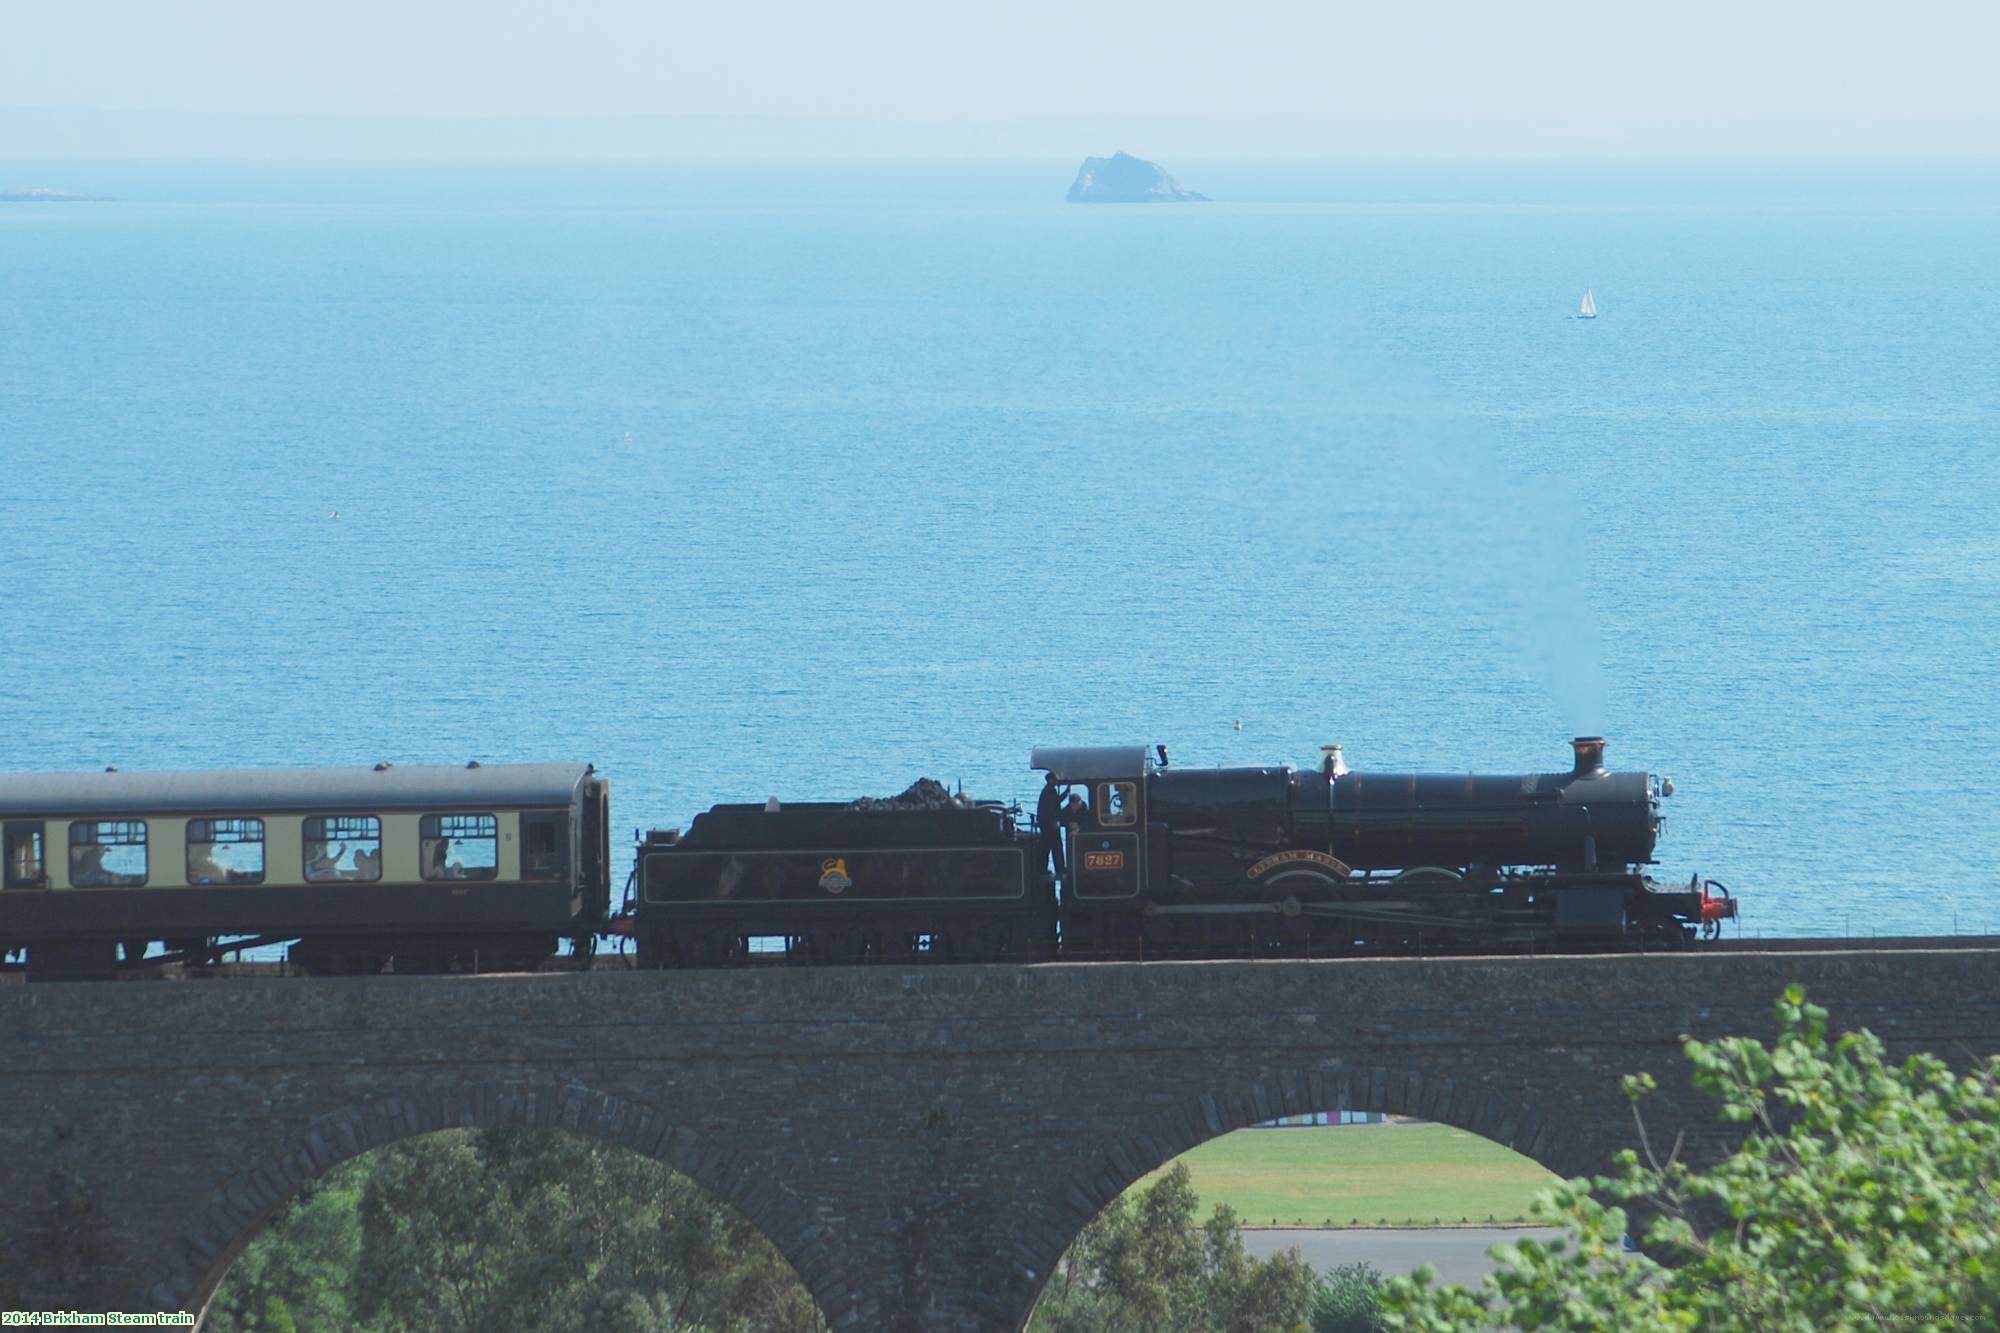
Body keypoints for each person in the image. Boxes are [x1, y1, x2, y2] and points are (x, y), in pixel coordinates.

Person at [1036, 774, 1067, 880]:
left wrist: (1066, 793)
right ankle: (1060, 869)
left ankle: (1045, 868)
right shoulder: (1049, 791)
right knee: (1055, 847)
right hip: (1049, 825)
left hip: (1047, 824)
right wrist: (1054, 821)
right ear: (1050, 780)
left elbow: (1056, 802)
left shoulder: (1049, 791)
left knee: (1047, 847)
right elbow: (1051, 808)